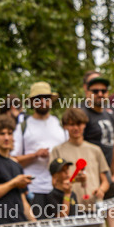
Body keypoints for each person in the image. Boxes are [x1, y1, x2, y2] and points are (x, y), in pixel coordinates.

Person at [51, 107, 112, 227]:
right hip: (71, 212)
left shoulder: (95, 150)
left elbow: (105, 180)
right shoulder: (58, 151)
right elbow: (54, 182)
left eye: (79, 124)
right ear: (65, 126)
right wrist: (72, 180)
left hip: (92, 209)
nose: (75, 128)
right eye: (71, 124)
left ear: (84, 124)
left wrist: (101, 190)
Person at [11, 82, 67, 217]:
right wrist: (35, 155)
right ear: (31, 102)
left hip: (59, 189)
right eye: (38, 98)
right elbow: (13, 161)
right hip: (33, 189)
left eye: (46, 98)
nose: (42, 102)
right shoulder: (23, 127)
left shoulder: (59, 125)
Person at [82, 72, 114, 227]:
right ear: (87, 91)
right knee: (92, 201)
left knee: (113, 198)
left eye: (103, 91)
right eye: (95, 91)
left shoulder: (110, 112)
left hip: (107, 166)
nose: (100, 94)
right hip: (90, 168)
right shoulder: (82, 113)